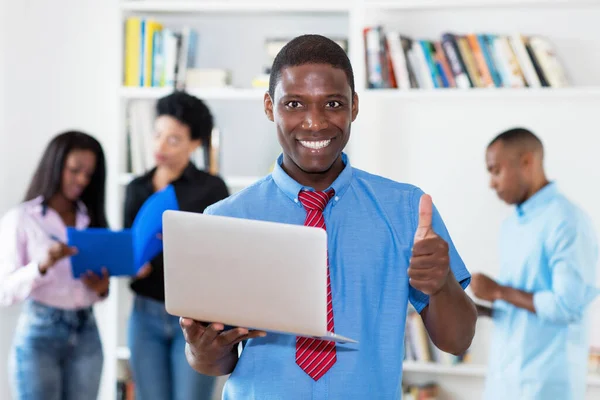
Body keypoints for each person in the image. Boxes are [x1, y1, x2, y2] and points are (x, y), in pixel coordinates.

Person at [179, 34, 477, 399]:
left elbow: (457, 340)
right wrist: (202, 350)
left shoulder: (406, 209)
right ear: (270, 107)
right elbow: (213, 362)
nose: (314, 123)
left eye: (332, 103)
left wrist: (442, 282)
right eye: (295, 104)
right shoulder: (224, 220)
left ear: (354, 106)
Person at [471, 127, 599, 400]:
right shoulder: (511, 226)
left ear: (527, 162)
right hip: (504, 384)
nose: (491, 183)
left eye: (495, 171)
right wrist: (484, 308)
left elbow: (567, 305)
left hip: (545, 388)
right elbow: (525, 305)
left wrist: (498, 292)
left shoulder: (567, 221)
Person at [124, 91, 230, 400]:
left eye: (173, 139)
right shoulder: (137, 188)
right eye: (157, 135)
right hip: (145, 314)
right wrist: (133, 264)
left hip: (195, 317)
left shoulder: (211, 189)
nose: (160, 146)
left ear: (195, 143)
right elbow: (131, 246)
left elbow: (221, 251)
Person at [0, 131, 110, 400]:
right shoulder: (23, 218)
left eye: (89, 173)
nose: (82, 179)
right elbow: (4, 291)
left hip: (86, 332)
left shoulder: (90, 218)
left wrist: (101, 288)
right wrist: (42, 265)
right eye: (75, 170)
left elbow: (97, 289)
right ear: (56, 165)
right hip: (40, 334)